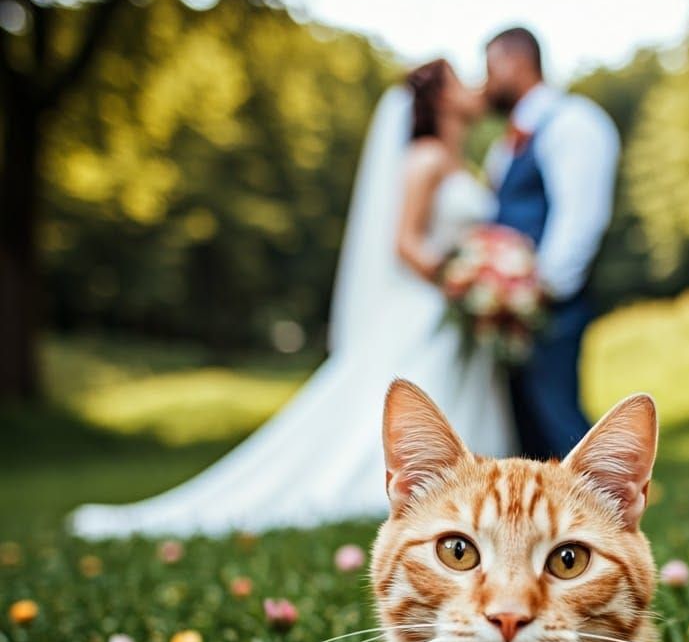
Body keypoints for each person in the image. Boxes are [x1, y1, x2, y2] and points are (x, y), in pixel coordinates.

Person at [69, 61, 514, 538]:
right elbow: (404, 243)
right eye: (459, 78)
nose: (473, 85)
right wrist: (461, 282)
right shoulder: (424, 159)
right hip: (431, 306)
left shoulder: (461, 161)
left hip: (452, 311)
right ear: (442, 99)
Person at [484, 26, 620, 460]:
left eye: (490, 67)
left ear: (516, 61)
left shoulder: (573, 122)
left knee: (559, 419)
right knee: (527, 429)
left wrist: (541, 289)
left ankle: (608, 514)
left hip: (548, 303)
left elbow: (580, 214)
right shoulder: (508, 144)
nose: (485, 82)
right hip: (511, 309)